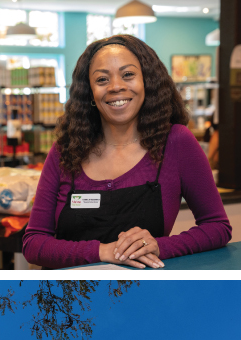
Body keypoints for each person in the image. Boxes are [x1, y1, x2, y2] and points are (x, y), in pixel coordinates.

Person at [22, 35, 231, 269]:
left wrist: (160, 246)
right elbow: (34, 243)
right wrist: (103, 251)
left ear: (147, 81)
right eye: (102, 79)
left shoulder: (176, 142)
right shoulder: (66, 149)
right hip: (69, 298)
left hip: (139, 296)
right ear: (90, 92)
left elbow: (217, 227)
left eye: (128, 74)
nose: (116, 86)